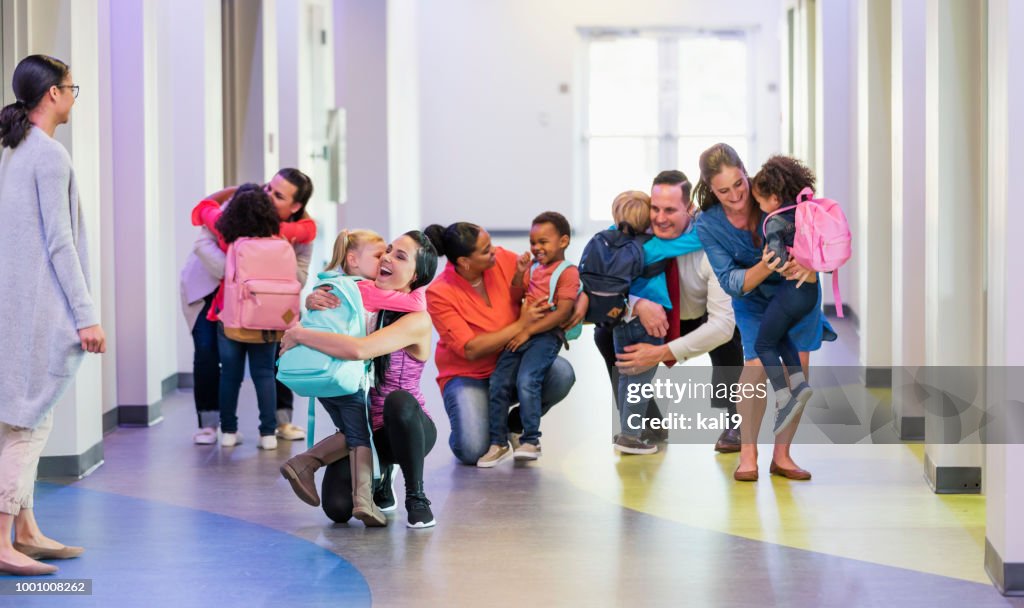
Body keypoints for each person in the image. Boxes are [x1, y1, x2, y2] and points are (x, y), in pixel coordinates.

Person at [0, 54, 106, 576]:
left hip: (14, 306)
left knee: (20, 418)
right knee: (27, 423)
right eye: (71, 88)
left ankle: (26, 529)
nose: (73, 97)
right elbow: (60, 243)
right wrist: (86, 316)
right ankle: (3, 539)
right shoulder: (48, 155)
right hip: (39, 308)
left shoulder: (14, 150)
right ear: (53, 96)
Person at [692, 143, 836, 482]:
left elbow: (818, 234)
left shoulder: (771, 192)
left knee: (797, 373)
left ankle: (782, 455)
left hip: (798, 293)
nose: (736, 195)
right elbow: (730, 281)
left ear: (746, 172)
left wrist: (810, 267)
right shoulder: (708, 225)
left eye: (739, 184)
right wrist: (766, 266)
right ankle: (748, 453)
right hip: (753, 299)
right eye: (723, 191)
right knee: (755, 367)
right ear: (710, 190)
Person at [280, 232, 440, 528]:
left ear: (416, 275)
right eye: (388, 251)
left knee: (398, 401)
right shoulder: (363, 300)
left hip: (409, 427)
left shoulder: (418, 318)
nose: (388, 257)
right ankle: (379, 481)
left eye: (400, 256)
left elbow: (359, 350)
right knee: (337, 508)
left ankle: (416, 496)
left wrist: (299, 333)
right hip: (368, 431)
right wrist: (315, 300)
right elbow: (334, 316)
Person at [577, 171, 743, 453]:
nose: (660, 218)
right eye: (655, 208)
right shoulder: (632, 230)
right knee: (605, 336)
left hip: (696, 316)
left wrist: (661, 353)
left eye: (670, 210)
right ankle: (643, 423)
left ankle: (734, 422)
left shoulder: (709, 243)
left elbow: (722, 325)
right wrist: (637, 305)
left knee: (730, 342)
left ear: (689, 208)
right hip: (650, 316)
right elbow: (607, 283)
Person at [181, 168, 316, 444]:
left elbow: (299, 274)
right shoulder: (239, 205)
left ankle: (281, 422)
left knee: (277, 357)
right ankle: (210, 424)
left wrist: (264, 268)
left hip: (269, 300)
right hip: (210, 290)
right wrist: (240, 272)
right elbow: (203, 241)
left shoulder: (301, 232)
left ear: (295, 206)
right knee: (207, 352)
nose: (267, 195)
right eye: (268, 187)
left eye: (278, 195)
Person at [424, 222, 576, 466]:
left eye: (490, 243)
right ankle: (478, 425)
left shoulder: (503, 259)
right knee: (472, 450)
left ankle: (512, 425)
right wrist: (520, 325)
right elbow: (470, 349)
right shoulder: (440, 292)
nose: (494, 250)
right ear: (464, 262)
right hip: (468, 376)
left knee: (561, 373)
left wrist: (580, 299)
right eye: (485, 250)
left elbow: (547, 277)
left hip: (510, 363)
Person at [477, 212, 580, 467]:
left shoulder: (567, 272)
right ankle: (498, 442)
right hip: (522, 333)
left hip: (544, 336)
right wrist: (519, 273)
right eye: (533, 242)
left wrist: (527, 332)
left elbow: (563, 313)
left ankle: (530, 439)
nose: (537, 248)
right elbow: (516, 296)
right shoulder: (533, 267)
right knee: (499, 380)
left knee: (527, 379)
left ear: (564, 241)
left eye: (544, 242)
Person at [203, 185, 292, 450]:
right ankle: (268, 434)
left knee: (230, 375)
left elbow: (205, 208)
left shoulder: (230, 242)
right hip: (268, 321)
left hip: (232, 319)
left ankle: (229, 431)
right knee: (265, 374)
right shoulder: (281, 243)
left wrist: (228, 191)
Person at [750, 155, 819, 434]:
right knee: (780, 337)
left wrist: (769, 258)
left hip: (791, 292)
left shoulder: (776, 222)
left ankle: (783, 395)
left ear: (775, 199)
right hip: (810, 292)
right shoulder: (805, 211)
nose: (759, 207)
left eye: (760, 201)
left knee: (763, 345)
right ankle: (800, 385)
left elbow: (776, 261)